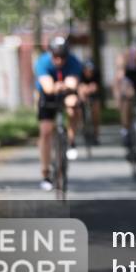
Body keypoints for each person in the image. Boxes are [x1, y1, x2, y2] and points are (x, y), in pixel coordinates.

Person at [35, 36, 83, 190]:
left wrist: (64, 86)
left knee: (74, 104)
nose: (59, 61)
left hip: (66, 92)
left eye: (63, 57)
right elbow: (48, 88)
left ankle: (70, 140)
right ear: (51, 54)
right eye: (56, 57)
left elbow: (72, 83)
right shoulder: (42, 62)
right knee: (46, 132)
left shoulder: (74, 62)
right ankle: (45, 173)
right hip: (47, 96)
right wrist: (57, 86)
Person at [78, 60, 103, 144]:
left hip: (94, 94)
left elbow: (96, 87)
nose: (89, 72)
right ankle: (83, 125)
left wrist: (89, 88)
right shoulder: (80, 74)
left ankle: (96, 135)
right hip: (83, 94)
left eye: (90, 70)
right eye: (87, 70)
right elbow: (80, 88)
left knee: (96, 112)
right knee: (79, 108)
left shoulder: (96, 74)